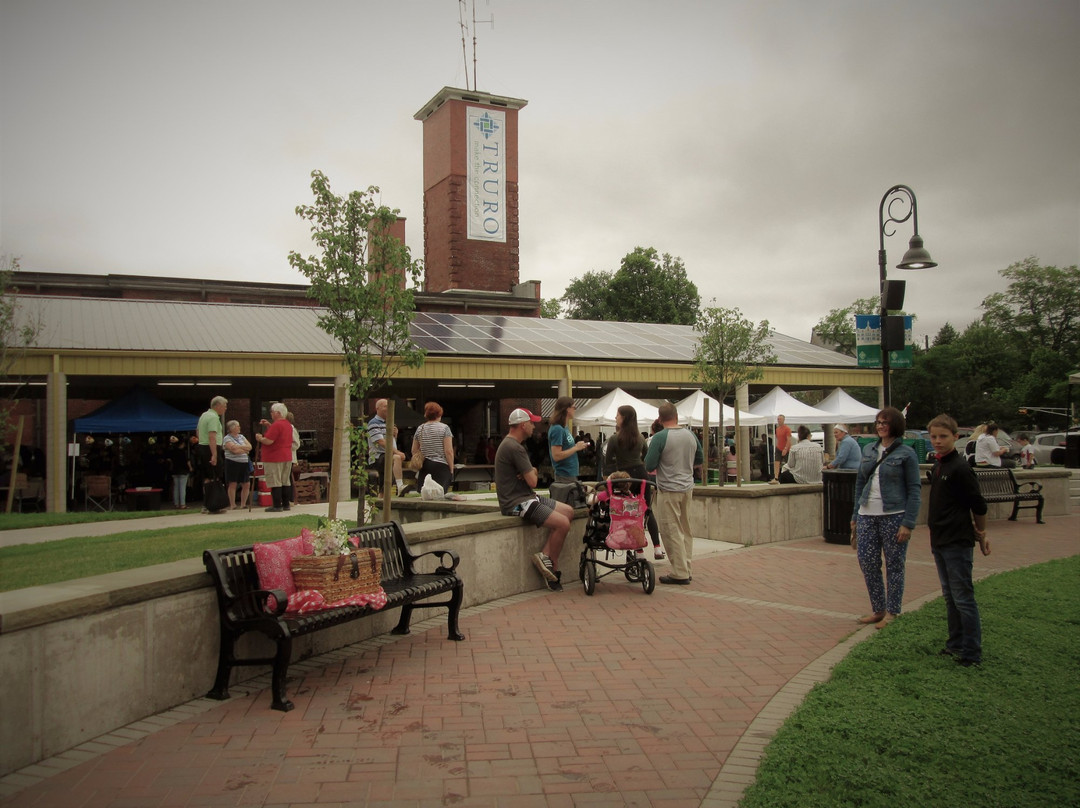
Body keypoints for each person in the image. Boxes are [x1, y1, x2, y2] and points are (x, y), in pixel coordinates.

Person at [927, 413, 991, 667]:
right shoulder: (939, 465)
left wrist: (982, 533)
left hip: (957, 541)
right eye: (933, 437)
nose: (937, 441)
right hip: (940, 539)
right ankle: (955, 643)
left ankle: (971, 652)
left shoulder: (961, 468)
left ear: (956, 437)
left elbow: (979, 505)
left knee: (963, 597)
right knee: (949, 596)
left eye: (943, 436)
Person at [851, 406, 922, 629]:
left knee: (894, 564)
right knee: (868, 562)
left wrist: (908, 523)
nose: (880, 426)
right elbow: (860, 483)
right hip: (867, 514)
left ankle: (892, 611)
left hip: (893, 515)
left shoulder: (906, 453)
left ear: (895, 425)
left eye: (885, 422)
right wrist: (855, 515)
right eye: (878, 422)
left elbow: (914, 489)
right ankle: (878, 609)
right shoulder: (869, 450)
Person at [494, 407, 573, 592]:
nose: (534, 426)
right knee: (563, 524)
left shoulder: (510, 445)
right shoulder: (515, 448)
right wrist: (531, 472)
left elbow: (531, 474)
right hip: (517, 502)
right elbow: (533, 481)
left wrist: (531, 470)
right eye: (531, 423)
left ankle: (544, 555)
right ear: (522, 425)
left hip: (527, 497)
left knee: (569, 511)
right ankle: (552, 566)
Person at [644, 402, 703, 585]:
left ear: (660, 419)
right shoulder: (691, 435)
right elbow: (699, 458)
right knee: (685, 529)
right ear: (677, 416)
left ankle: (679, 572)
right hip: (687, 487)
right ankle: (686, 567)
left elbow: (649, 465)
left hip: (668, 489)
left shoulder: (660, 438)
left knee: (671, 531)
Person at [604, 404, 664, 559]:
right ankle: (657, 548)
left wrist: (608, 480)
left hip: (625, 479)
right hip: (642, 475)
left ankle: (639, 551)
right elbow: (646, 456)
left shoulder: (614, 439)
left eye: (617, 415)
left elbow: (608, 462)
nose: (615, 418)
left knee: (630, 513)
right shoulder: (640, 437)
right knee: (646, 510)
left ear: (623, 418)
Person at [255, 402, 294, 513]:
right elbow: (278, 435)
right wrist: (269, 426)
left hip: (274, 457)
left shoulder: (277, 424)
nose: (271, 414)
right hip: (286, 456)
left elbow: (269, 440)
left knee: (275, 481)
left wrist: (260, 438)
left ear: (277, 413)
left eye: (272, 412)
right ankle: (286, 504)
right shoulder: (287, 424)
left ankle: (277, 505)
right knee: (285, 481)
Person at [367, 398, 408, 495]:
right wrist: (397, 452)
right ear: (377, 408)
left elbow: (391, 442)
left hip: (387, 455)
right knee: (396, 458)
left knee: (385, 488)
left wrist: (395, 436)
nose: (388, 408)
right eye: (385, 406)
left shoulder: (390, 423)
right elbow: (381, 442)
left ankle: (381, 504)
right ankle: (400, 486)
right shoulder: (373, 423)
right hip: (378, 457)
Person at [412, 401, 455, 493]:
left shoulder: (420, 428)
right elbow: (449, 451)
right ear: (439, 414)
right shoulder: (445, 428)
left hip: (425, 465)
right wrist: (451, 468)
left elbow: (414, 450)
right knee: (440, 493)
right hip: (441, 465)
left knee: (425, 494)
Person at [196, 396, 228, 513]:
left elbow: (198, 431)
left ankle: (206, 504)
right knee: (215, 476)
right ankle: (214, 504)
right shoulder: (214, 418)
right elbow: (212, 436)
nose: (225, 408)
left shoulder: (204, 415)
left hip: (202, 446)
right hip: (211, 448)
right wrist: (214, 454)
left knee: (207, 477)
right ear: (217, 405)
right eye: (224, 406)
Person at [547, 396, 588, 482]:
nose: (575, 410)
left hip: (570, 474)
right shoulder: (557, 429)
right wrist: (576, 448)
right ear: (567, 409)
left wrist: (577, 446)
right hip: (564, 475)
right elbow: (556, 455)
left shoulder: (564, 427)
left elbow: (567, 448)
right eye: (574, 407)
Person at [222, 420, 253, 509]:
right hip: (232, 463)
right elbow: (234, 450)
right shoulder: (227, 438)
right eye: (237, 426)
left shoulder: (242, 437)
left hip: (244, 463)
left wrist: (239, 447)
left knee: (246, 483)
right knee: (233, 483)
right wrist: (244, 449)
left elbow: (249, 447)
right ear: (232, 428)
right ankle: (232, 504)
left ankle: (243, 504)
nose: (239, 428)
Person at [166, 435, 192, 509]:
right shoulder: (183, 452)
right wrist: (190, 468)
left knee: (176, 488)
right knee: (182, 488)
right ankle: (183, 504)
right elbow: (187, 461)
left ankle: (176, 503)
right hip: (183, 471)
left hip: (175, 470)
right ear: (182, 444)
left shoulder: (172, 452)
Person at [774, 414, 792, 481]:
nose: (779, 420)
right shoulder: (777, 429)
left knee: (788, 463)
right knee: (776, 462)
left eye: (780, 419)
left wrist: (785, 448)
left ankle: (790, 476)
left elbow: (789, 440)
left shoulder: (787, 429)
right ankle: (776, 477)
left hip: (786, 448)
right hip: (779, 447)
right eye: (778, 419)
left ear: (783, 420)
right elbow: (778, 438)